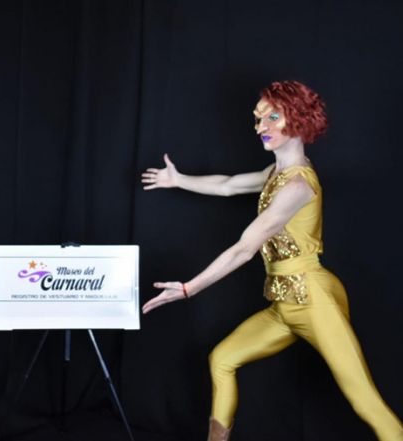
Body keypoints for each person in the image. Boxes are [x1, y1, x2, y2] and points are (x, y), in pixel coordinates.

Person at [140, 80, 403, 441]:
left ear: (297, 119)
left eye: (272, 117)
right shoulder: (274, 174)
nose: (260, 127)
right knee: (222, 359)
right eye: (258, 118)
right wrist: (179, 179)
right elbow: (228, 185)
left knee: (364, 400)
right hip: (284, 304)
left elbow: (244, 249)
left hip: (313, 301)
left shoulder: (298, 187)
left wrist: (188, 289)